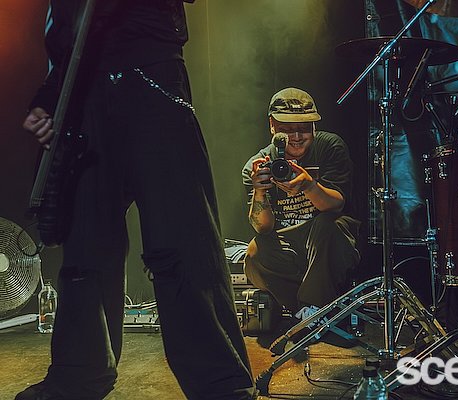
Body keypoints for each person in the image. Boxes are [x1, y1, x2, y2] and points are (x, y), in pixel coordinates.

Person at [17, 1, 254, 399]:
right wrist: (49, 96)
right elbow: (65, 28)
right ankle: (79, 375)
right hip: (83, 97)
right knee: (86, 246)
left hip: (151, 80)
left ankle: (220, 385)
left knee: (182, 240)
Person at [242, 87, 360, 322]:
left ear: (314, 126)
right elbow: (263, 227)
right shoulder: (257, 166)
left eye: (304, 128)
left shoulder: (329, 147)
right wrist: (259, 192)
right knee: (254, 254)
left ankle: (311, 307)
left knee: (327, 224)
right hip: (289, 250)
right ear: (272, 125)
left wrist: (309, 186)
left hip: (330, 244)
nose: (296, 136)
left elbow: (336, 204)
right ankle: (308, 310)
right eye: (287, 130)